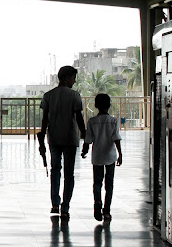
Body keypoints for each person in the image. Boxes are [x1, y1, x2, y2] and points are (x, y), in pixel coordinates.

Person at [37, 66, 86, 221]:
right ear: (66, 78)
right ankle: (65, 207)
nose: (74, 81)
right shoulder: (75, 96)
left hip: (54, 138)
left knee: (55, 170)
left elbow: (45, 119)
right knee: (69, 173)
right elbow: (79, 118)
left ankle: (55, 203)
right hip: (70, 138)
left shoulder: (48, 96)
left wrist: (42, 138)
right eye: (73, 78)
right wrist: (85, 136)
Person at [81, 93, 122, 222]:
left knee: (97, 182)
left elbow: (88, 140)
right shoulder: (113, 121)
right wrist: (120, 154)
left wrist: (84, 151)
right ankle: (107, 211)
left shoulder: (92, 122)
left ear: (96, 106)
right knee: (109, 184)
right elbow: (116, 139)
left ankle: (97, 202)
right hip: (110, 156)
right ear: (109, 105)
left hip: (97, 156)